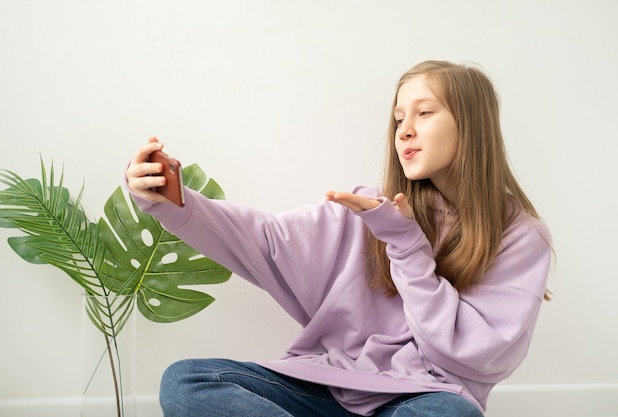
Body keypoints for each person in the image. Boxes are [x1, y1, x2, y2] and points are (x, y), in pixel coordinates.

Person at [125, 60, 551, 417]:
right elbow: (267, 239)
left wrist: (405, 244)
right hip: (328, 389)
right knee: (187, 382)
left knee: (452, 414)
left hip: (426, 398)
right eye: (399, 117)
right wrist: (174, 200)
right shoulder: (369, 210)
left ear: (471, 124)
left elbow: (469, 355)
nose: (404, 130)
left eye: (425, 113)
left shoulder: (521, 237)